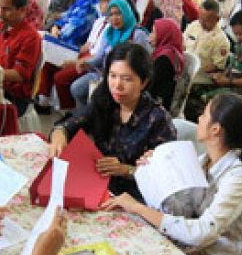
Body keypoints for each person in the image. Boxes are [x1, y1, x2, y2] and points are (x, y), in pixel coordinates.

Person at [101, 93, 242, 255]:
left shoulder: (238, 179)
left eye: (204, 114)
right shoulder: (203, 160)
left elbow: (202, 232)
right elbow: (180, 211)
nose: (199, 118)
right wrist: (153, 171)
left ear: (215, 129)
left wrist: (138, 208)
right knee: (122, 254)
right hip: (190, 248)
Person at [50, 43, 175, 199]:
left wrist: (125, 170)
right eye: (113, 76)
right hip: (97, 183)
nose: (117, 86)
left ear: (144, 82)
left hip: (133, 198)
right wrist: (60, 134)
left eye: (127, 79)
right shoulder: (104, 100)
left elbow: (165, 176)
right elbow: (72, 122)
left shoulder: (157, 119)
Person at [184, 11, 242, 122]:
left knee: (208, 100)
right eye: (236, 34)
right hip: (232, 82)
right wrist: (221, 76)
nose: (238, 38)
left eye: (240, 34)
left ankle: (210, 131)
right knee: (192, 90)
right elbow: (235, 64)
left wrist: (229, 81)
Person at [67, 0, 150, 108]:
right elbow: (100, 56)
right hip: (102, 73)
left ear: (126, 13)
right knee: (76, 88)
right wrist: (86, 63)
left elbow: (144, 63)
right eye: (111, 15)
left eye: (118, 13)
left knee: (99, 98)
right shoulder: (109, 32)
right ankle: (84, 121)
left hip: (124, 78)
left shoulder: (138, 34)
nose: (114, 18)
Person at [184, 0, 231, 74]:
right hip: (184, 69)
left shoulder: (221, 40)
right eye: (200, 18)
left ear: (217, 19)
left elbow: (217, 66)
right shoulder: (193, 25)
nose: (202, 23)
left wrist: (194, 72)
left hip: (202, 76)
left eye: (206, 21)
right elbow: (183, 45)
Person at [147, 18, 185, 110]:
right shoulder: (170, 52)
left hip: (158, 105)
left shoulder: (164, 59)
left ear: (164, 35)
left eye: (153, 32)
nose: (150, 36)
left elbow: (150, 85)